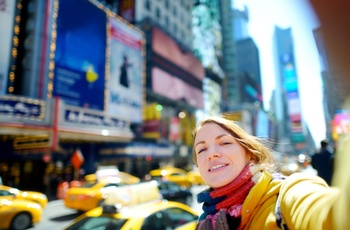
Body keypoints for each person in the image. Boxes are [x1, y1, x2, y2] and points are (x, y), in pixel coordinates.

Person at [193, 115, 350, 229]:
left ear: (250, 154)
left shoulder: (288, 193)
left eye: (225, 142)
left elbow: (330, 215)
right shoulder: (204, 222)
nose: (211, 153)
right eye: (202, 149)